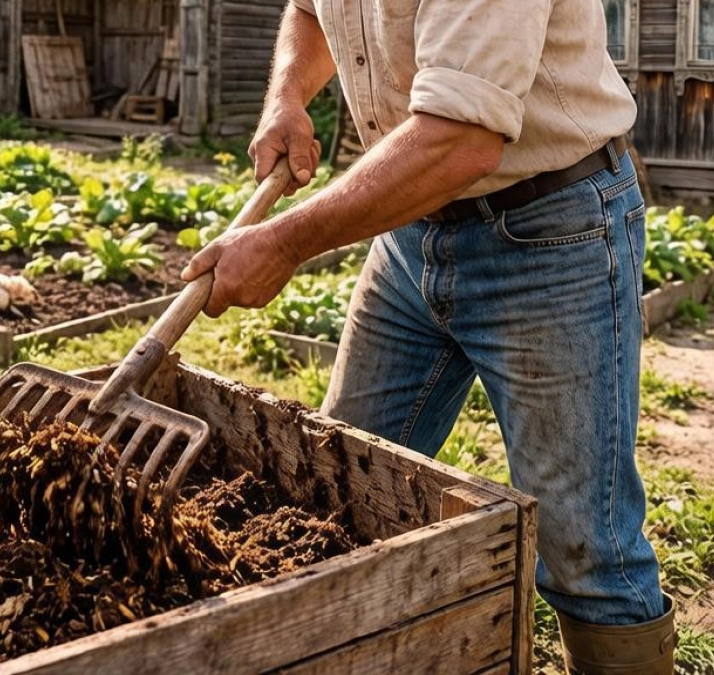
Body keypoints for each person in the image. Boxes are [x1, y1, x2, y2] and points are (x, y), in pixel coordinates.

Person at [179, 1, 675, 672]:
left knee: (586, 549)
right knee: (338, 482)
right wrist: (287, 96)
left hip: (551, 235)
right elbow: (309, 9)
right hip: (410, 237)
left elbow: (463, 138)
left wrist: (284, 243)